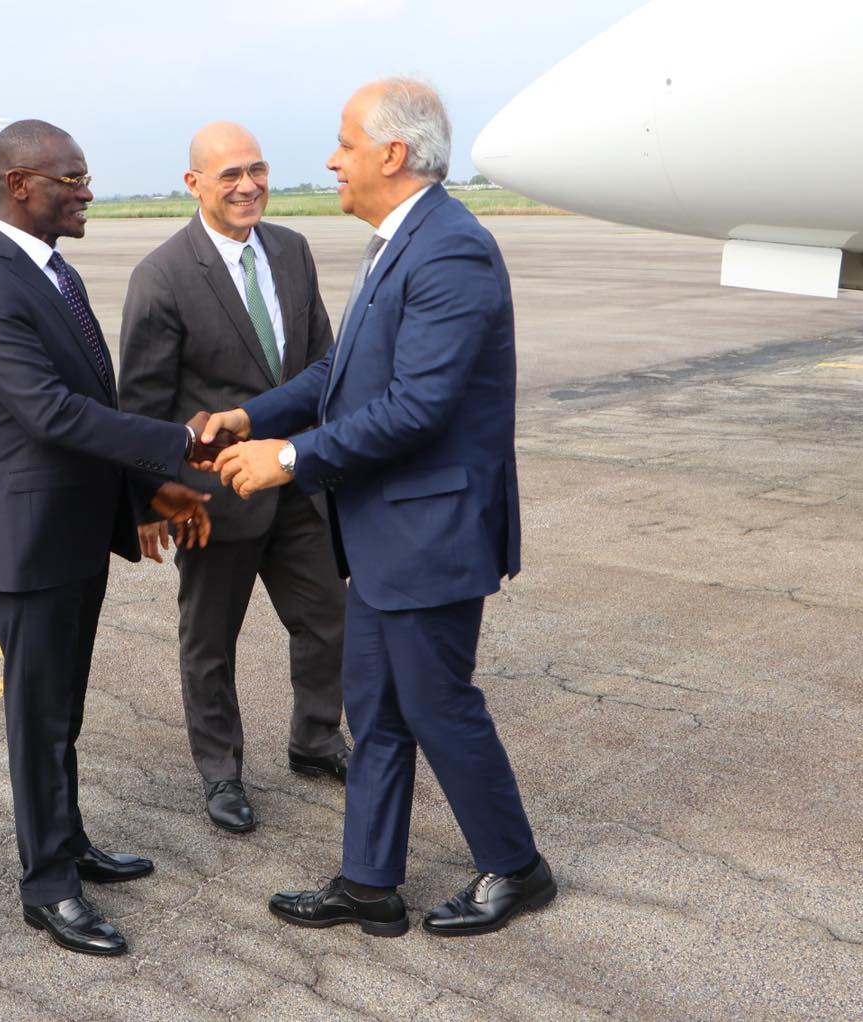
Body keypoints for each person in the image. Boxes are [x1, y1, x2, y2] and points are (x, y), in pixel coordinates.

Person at [202, 79, 555, 938]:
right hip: (385, 530)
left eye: (345, 143)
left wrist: (287, 459)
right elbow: (343, 372)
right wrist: (258, 414)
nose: (332, 159)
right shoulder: (400, 241)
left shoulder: (450, 251)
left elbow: (417, 407)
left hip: (430, 530)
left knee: (437, 706)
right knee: (377, 706)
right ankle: (369, 882)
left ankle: (516, 867)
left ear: (393, 155)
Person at [0, 119, 219, 957]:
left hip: (74, 536)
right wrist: (179, 443)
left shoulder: (52, 274)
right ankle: (48, 887)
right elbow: (53, 415)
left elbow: (93, 402)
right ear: (21, 184)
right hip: (29, 546)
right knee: (38, 718)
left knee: (62, 712)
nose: (86, 191)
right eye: (71, 178)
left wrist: (147, 487)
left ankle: (68, 843)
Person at [118, 122, 348, 834]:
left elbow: (323, 365)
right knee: (210, 641)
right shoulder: (162, 276)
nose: (248, 185)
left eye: (257, 170)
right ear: (195, 184)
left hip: (295, 480)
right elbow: (144, 404)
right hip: (214, 500)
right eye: (229, 175)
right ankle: (222, 773)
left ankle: (315, 741)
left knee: (329, 623)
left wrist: (308, 455)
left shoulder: (292, 250)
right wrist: (151, 495)